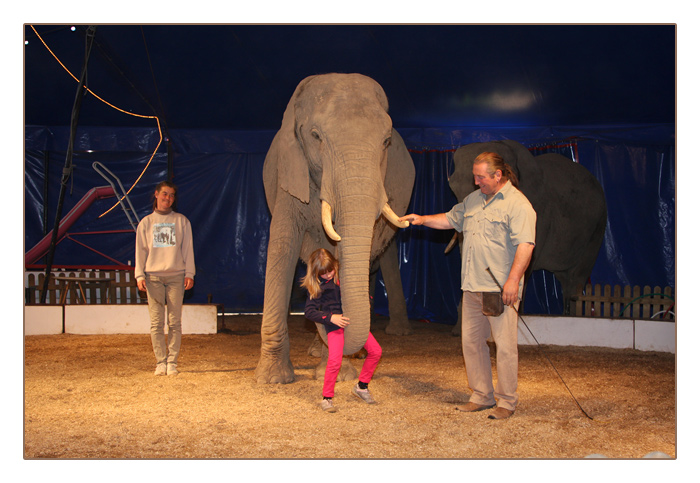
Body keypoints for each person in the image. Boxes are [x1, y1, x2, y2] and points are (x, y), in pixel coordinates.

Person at [399, 151, 536, 420]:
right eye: (475, 176)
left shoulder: (518, 205)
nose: (476, 182)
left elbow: (526, 245)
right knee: (472, 343)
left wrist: (513, 281)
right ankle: (481, 395)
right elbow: (451, 219)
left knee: (505, 347)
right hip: (472, 285)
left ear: (498, 175)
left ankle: (506, 402)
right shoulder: (474, 200)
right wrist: (422, 219)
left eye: (481, 177)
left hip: (498, 289)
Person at [301, 248, 383, 413]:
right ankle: (327, 398)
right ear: (316, 272)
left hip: (354, 324)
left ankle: (361, 387)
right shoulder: (316, 287)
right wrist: (331, 318)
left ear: (335, 265)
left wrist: (367, 300)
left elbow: (359, 293)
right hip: (335, 327)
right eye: (323, 273)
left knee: (376, 351)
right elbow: (309, 312)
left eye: (330, 270)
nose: (328, 275)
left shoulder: (343, 278)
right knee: (334, 361)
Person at [135, 181, 196, 376]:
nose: (167, 198)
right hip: (153, 277)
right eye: (164, 194)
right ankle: (160, 362)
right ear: (156, 194)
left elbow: (188, 249)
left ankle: (173, 362)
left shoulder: (182, 221)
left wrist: (189, 273)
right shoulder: (146, 223)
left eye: (171, 195)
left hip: (176, 277)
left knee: (174, 321)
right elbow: (140, 251)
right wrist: (139, 275)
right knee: (156, 322)